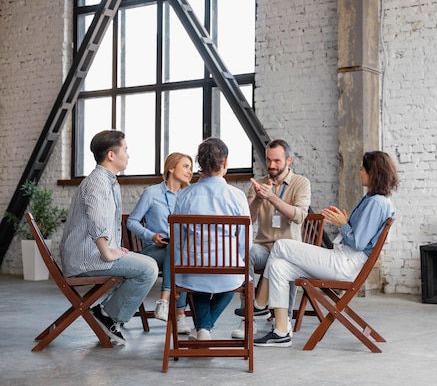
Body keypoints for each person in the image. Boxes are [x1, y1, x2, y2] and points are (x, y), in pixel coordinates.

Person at [253, 150, 399, 347]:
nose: (359, 173)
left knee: (280, 246)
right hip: (343, 259)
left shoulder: (377, 203)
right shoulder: (374, 199)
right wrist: (346, 221)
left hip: (345, 263)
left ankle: (259, 305)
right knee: (278, 266)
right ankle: (280, 332)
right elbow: (362, 234)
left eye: (362, 169)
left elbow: (358, 243)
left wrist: (342, 224)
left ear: (373, 172)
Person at [59, 130, 159, 345]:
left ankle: (106, 313)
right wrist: (108, 252)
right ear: (111, 155)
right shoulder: (98, 183)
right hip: (87, 260)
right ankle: (108, 316)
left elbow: (102, 223)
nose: (128, 155)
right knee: (148, 269)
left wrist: (116, 248)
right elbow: (97, 222)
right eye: (125, 149)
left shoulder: (107, 181)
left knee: (148, 263)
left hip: (93, 254)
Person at [172, 137, 252, 340]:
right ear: (225, 162)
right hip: (229, 269)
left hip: (192, 269)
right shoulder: (237, 196)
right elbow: (245, 241)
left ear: (200, 163)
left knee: (196, 283)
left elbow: (179, 238)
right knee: (238, 279)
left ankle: (203, 329)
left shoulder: (185, 195)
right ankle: (205, 328)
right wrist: (238, 259)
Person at [231, 139, 311, 339]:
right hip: (263, 248)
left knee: (287, 262)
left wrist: (273, 198)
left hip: (289, 251)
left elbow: (299, 216)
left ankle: (284, 320)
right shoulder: (258, 184)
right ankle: (248, 317)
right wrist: (258, 198)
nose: (271, 165)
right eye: (268, 160)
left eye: (276, 161)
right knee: (247, 254)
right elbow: (249, 220)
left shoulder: (301, 183)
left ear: (289, 160)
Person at [127, 152, 194, 334]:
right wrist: (151, 235)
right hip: (153, 251)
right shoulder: (152, 193)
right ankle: (179, 314)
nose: (190, 171)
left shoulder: (189, 195)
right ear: (171, 168)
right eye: (186, 166)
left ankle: (164, 301)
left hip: (177, 251)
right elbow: (131, 222)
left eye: (191, 167)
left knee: (178, 249)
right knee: (180, 255)